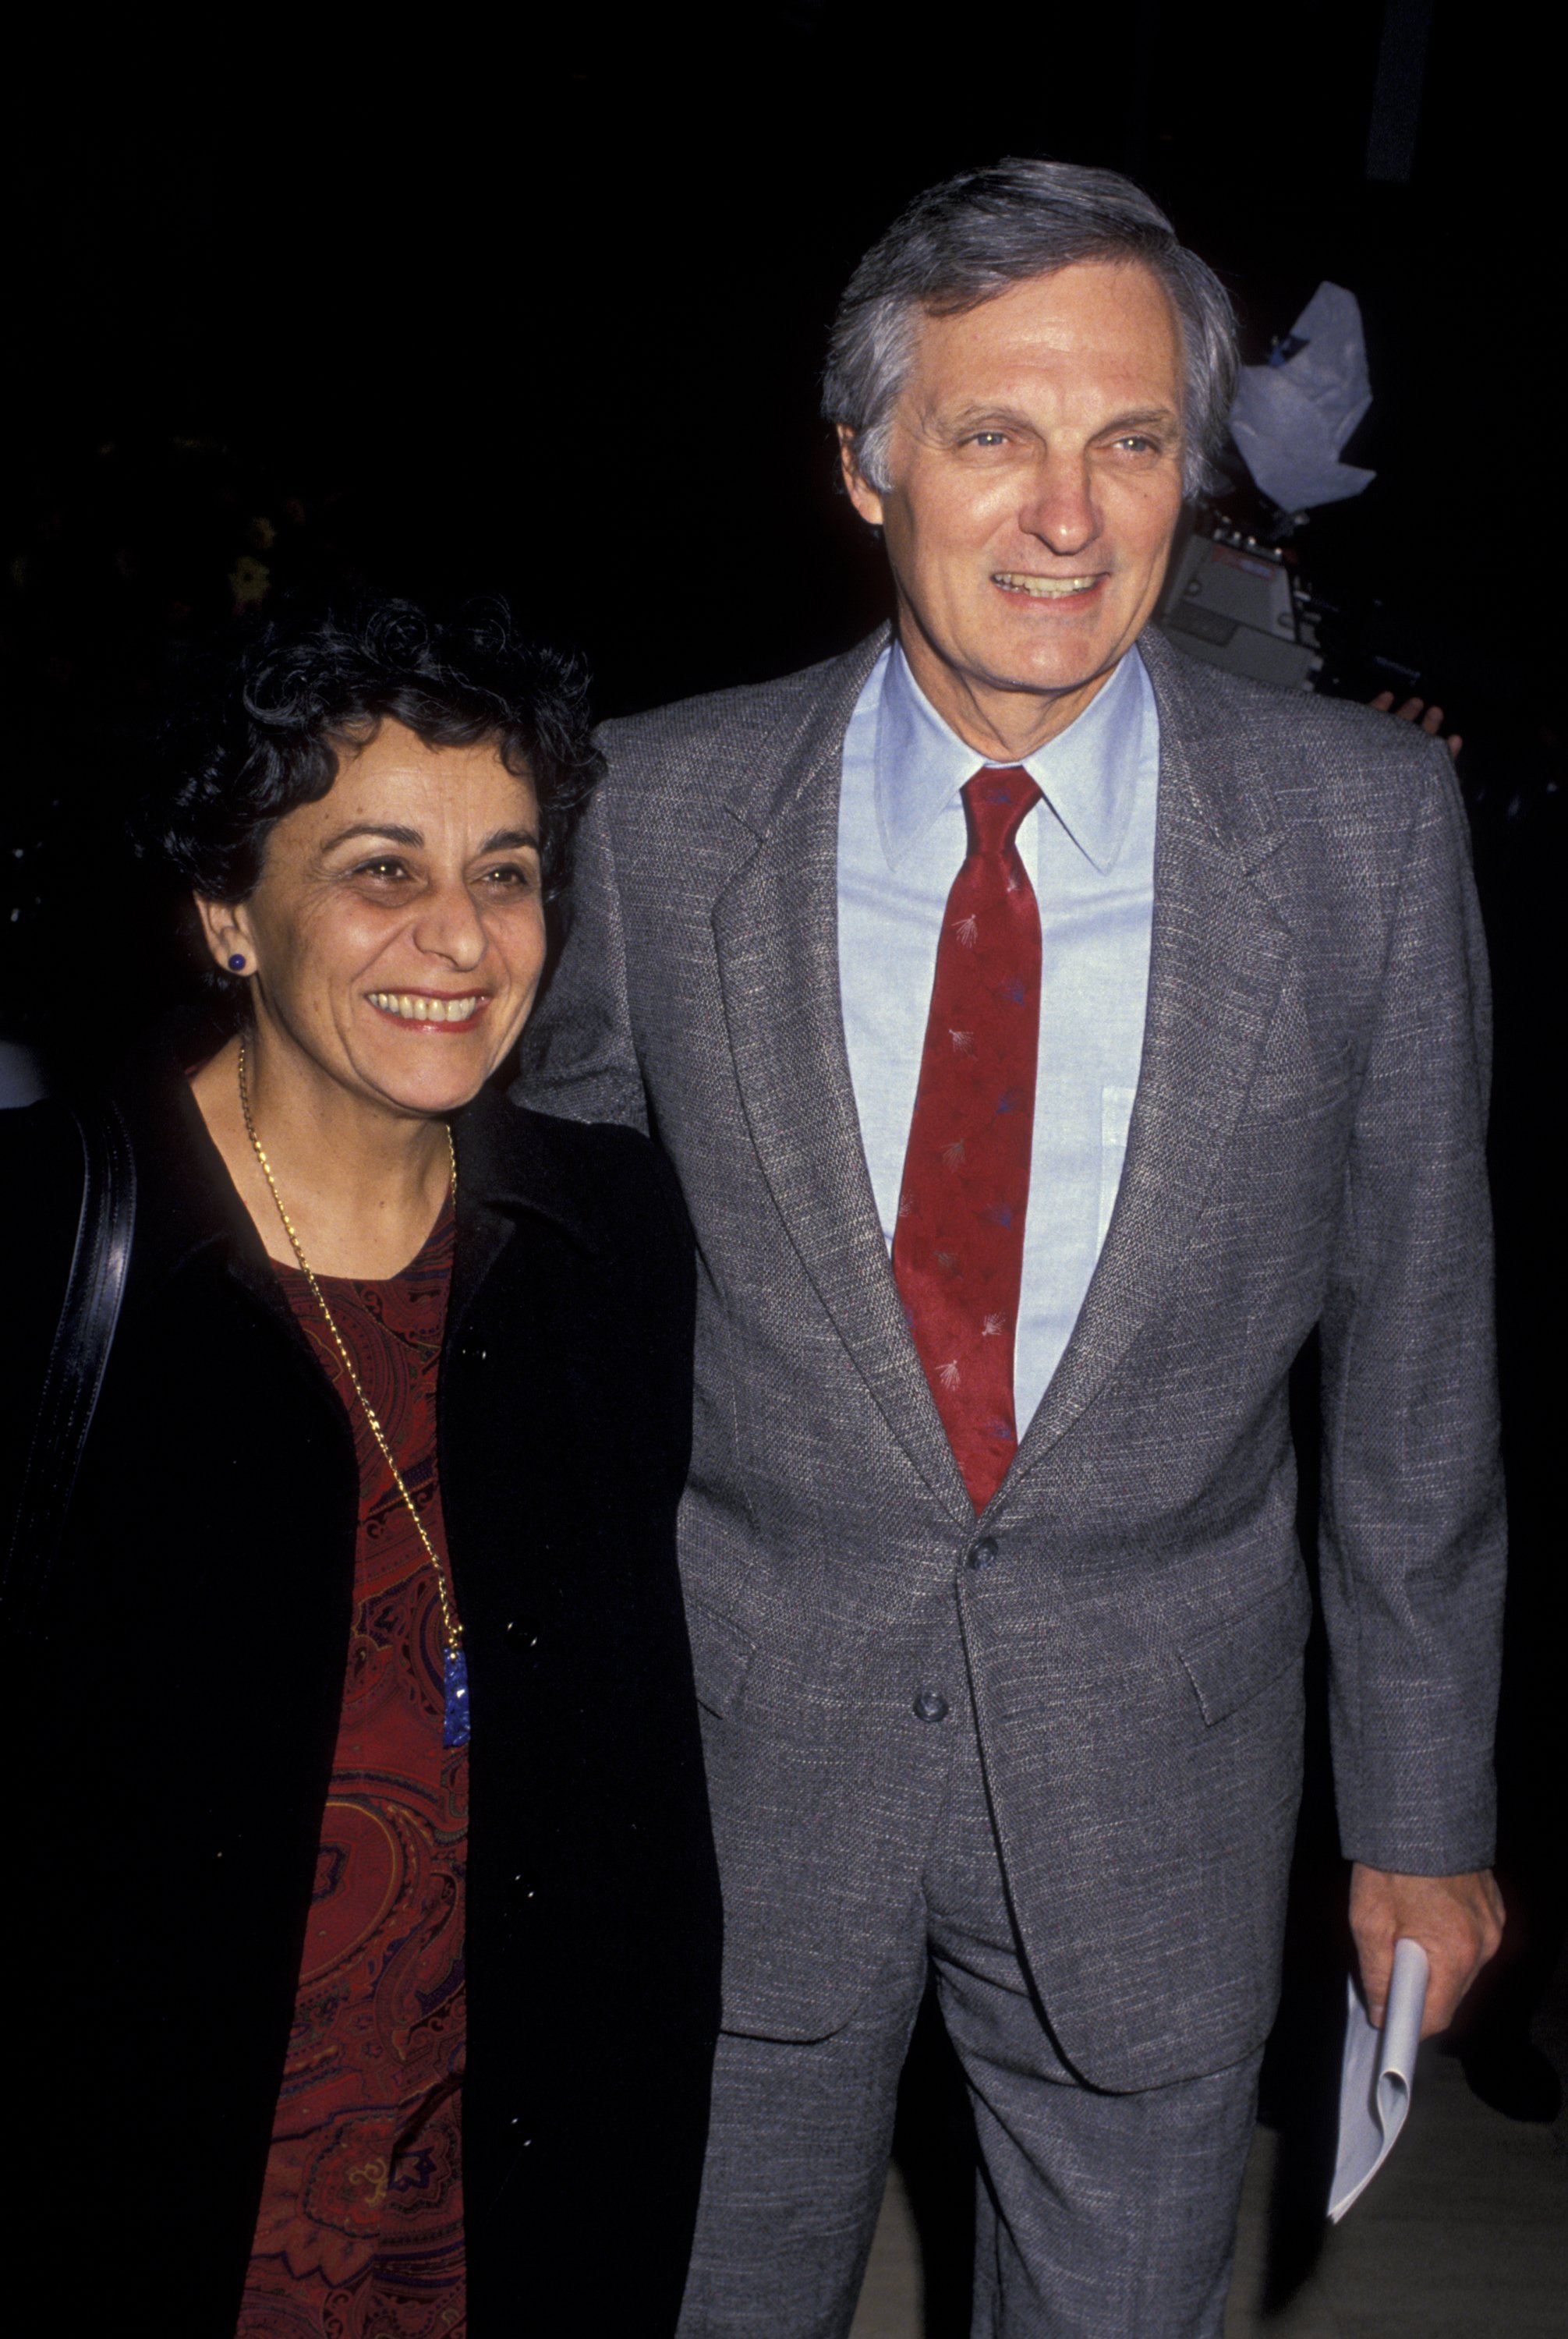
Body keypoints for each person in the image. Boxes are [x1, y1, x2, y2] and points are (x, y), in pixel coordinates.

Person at [517, 159, 1506, 2337]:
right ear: (865, 463)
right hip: (731, 1765)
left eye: (1129, 439)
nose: (1066, 516)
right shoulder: (651, 820)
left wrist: (1418, 1811)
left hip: (1156, 1777)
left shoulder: (1361, 833)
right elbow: (537, 1310)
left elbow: (1418, 1356)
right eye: (993, 435)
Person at [0, 596, 720, 2337]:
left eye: (508, 870)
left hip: (501, 2199)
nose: (461, 938)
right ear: (227, 911)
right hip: (144, 2199)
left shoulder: (609, 1238)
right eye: (380, 868)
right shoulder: (49, 1240)